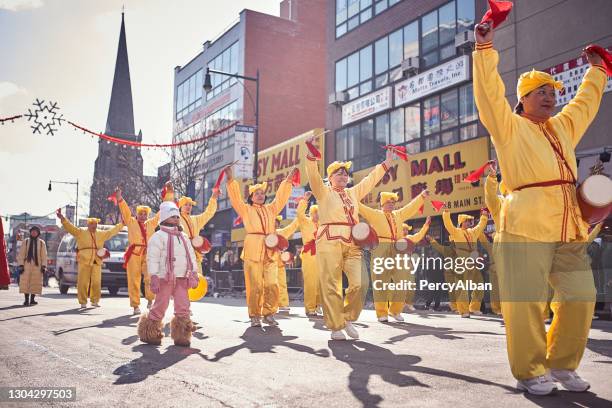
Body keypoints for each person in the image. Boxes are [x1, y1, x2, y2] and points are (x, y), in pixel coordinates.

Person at [473, 20, 607, 394]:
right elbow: (487, 94)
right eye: (541, 92)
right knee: (527, 303)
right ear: (524, 98)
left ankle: (563, 364)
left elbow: (584, 103)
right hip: (524, 223)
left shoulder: (562, 127)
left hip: (568, 224)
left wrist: (598, 71)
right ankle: (530, 369)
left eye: (553, 92)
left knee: (581, 295)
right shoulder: (508, 126)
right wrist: (484, 51)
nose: (550, 97)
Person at [305, 135, 395, 340]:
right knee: (331, 285)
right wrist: (311, 156)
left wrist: (386, 164)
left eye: (345, 175)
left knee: (361, 283)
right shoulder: (323, 192)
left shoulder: (353, 193)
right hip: (328, 240)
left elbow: (369, 180)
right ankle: (336, 326)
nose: (343, 177)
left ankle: (346, 318)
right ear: (330, 177)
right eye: (339, 174)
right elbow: (313, 176)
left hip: (353, 243)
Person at [225, 165, 297, 327]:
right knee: (255, 285)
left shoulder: (271, 209)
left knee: (272, 284)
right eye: (256, 193)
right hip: (253, 250)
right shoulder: (246, 209)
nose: (260, 195)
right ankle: (255, 315)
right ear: (251, 197)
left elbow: (281, 198)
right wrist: (230, 180)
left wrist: (288, 180)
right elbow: (236, 198)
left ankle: (269, 312)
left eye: (262, 193)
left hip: (270, 251)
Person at [358, 191, 430, 322]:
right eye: (388, 203)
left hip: (398, 248)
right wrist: (348, 196)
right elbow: (360, 207)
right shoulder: (375, 214)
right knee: (380, 281)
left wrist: (421, 197)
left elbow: (410, 207)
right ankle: (382, 313)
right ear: (382, 204)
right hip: (381, 247)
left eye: (392, 203)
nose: (391, 205)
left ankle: (395, 310)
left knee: (402, 280)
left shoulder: (398, 214)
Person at [137, 201, 198, 347]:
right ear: (164, 219)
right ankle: (149, 332)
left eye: (178, 216)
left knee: (183, 306)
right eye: (173, 216)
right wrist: (154, 276)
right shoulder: (158, 236)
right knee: (160, 304)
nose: (177, 219)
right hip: (165, 277)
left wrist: (194, 272)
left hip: (182, 276)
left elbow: (191, 255)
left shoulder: (183, 236)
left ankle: (182, 335)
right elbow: (152, 258)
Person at [56, 209, 123, 308]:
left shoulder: (101, 233)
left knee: (96, 282)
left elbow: (111, 232)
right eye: (92, 223)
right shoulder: (80, 232)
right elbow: (70, 228)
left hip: (97, 260)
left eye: (95, 223)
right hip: (84, 260)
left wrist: (121, 224)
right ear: (88, 224)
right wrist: (63, 219)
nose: (94, 225)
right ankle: (83, 301)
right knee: (83, 282)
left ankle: (95, 301)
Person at [116, 187, 160, 315]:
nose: (143, 216)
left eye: (145, 214)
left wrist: (169, 195)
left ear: (147, 215)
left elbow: (160, 214)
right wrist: (120, 199)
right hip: (134, 253)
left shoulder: (151, 223)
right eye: (140, 213)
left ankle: (151, 299)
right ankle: (135, 305)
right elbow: (125, 212)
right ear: (137, 214)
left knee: (150, 277)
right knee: (134, 279)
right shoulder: (130, 222)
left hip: (148, 253)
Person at [442, 208, 488, 317]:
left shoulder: (473, 232)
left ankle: (474, 307)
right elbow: (448, 225)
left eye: (469, 221)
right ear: (462, 222)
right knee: (462, 287)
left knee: (479, 284)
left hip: (473, 260)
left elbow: (481, 226)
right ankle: (464, 311)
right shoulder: (456, 232)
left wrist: (484, 216)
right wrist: (446, 213)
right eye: (466, 221)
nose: (468, 223)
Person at [295, 193, 323, 316]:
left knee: (321, 282)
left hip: (322, 254)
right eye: (315, 212)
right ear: (311, 214)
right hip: (309, 254)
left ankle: (318, 305)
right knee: (311, 281)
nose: (317, 215)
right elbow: (300, 214)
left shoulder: (323, 225)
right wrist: (304, 201)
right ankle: (310, 307)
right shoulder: (305, 222)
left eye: (319, 212)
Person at [16, 226, 47, 306]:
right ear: (30, 232)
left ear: (38, 233)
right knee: (26, 282)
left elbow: (44, 255)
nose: (34, 233)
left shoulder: (41, 243)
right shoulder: (25, 241)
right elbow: (21, 254)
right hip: (26, 264)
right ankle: (26, 300)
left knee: (35, 282)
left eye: (35, 231)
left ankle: (32, 299)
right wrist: (21, 265)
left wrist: (44, 266)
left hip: (37, 265)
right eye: (32, 231)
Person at [427, 235, 459, 313]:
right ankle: (454, 307)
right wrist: (432, 240)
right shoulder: (447, 250)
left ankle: (460, 307)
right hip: (449, 273)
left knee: (459, 290)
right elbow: (438, 247)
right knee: (452, 290)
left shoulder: (462, 250)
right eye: (453, 242)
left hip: (459, 272)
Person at [275, 215, 299, 313]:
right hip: (266, 263)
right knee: (267, 285)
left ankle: (283, 304)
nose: (274, 223)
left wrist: (299, 217)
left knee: (282, 284)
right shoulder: (263, 233)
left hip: (279, 263)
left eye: (276, 221)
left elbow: (291, 227)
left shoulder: (280, 232)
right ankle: (267, 305)